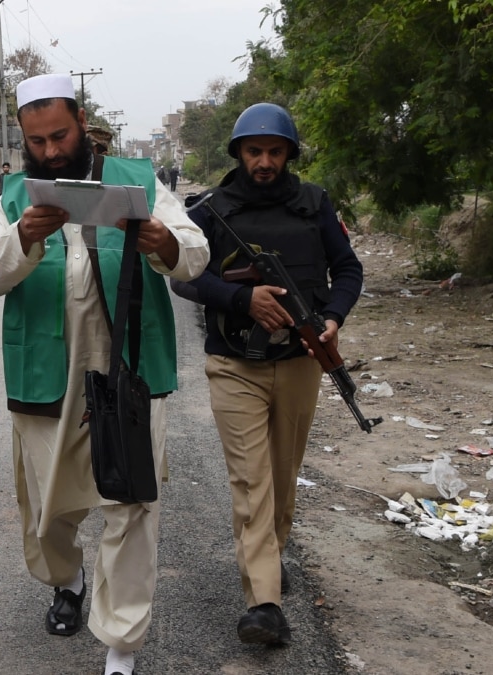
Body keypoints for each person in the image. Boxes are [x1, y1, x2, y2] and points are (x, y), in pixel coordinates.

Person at [0, 74, 209, 675]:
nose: (50, 150)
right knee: (47, 506)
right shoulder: (17, 194)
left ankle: (121, 645)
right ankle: (67, 578)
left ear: (81, 120)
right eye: (37, 140)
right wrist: (21, 237)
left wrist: (160, 240)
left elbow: (194, 252)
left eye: (60, 135)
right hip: (47, 373)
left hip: (127, 371)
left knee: (131, 502)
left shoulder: (138, 180)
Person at [180, 102, 363, 646]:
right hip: (234, 365)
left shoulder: (314, 204)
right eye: (254, 151)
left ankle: (269, 554)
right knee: (251, 480)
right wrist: (241, 297)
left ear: (288, 154)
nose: (264, 161)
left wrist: (332, 318)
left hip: (300, 362)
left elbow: (348, 268)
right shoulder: (210, 210)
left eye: (274, 152)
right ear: (238, 153)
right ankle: (262, 603)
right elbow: (184, 277)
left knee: (282, 479)